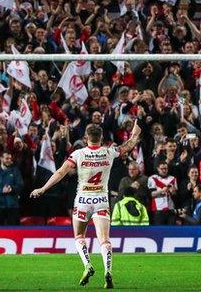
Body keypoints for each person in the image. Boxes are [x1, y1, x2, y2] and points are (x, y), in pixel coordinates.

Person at [31, 121, 141, 289]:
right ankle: (108, 271)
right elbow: (127, 146)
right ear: (101, 137)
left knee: (79, 236)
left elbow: (61, 172)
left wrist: (43, 188)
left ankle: (88, 265)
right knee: (104, 240)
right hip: (101, 200)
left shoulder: (78, 154)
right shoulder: (109, 152)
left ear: (86, 138)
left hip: (83, 200)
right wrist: (135, 134)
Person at [0, 152, 24, 225]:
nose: (9, 160)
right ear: (1, 158)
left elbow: (20, 185)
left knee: (14, 231)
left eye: (10, 158)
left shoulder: (15, 170)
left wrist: (12, 188)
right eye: (7, 158)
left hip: (13, 206)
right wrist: (1, 190)